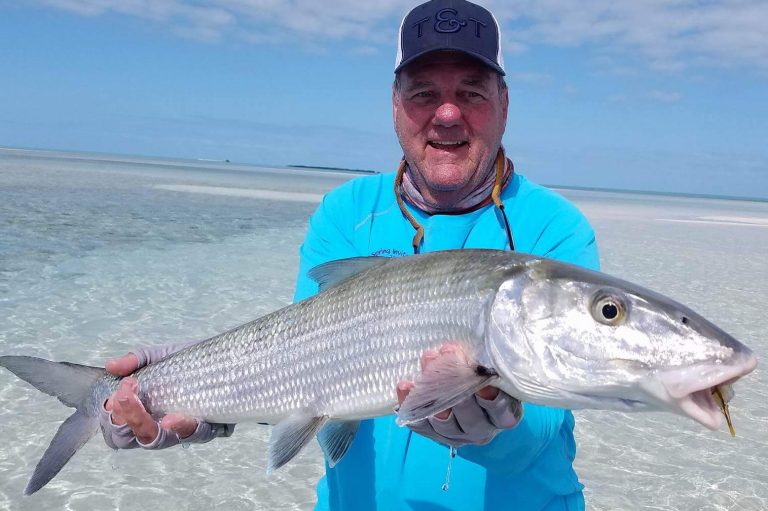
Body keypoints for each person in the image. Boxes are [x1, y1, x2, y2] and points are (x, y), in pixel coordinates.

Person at [101, 0, 599, 509]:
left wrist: (499, 429)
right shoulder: (345, 212)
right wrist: (192, 399)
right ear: (395, 104)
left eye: (471, 92)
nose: (447, 114)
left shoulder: (555, 230)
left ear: (504, 103)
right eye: (424, 93)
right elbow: (301, 366)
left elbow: (545, 423)